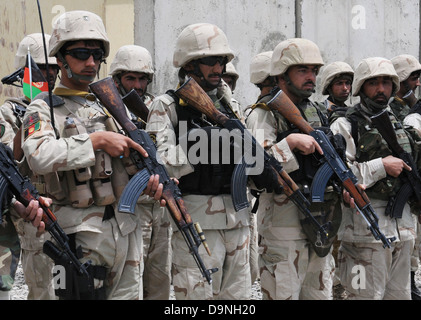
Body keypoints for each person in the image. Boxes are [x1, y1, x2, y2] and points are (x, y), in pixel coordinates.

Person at [21, 10, 164, 300]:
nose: (90, 62)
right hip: (78, 235)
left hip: (126, 230)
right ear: (60, 58)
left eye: (97, 55)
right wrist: (96, 141)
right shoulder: (43, 108)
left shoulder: (114, 106)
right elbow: (38, 154)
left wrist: (151, 182)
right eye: (81, 54)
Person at [146, 22, 252, 300]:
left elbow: (247, 156)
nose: (218, 68)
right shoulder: (165, 106)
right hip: (197, 221)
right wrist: (201, 145)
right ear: (189, 65)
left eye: (222, 61)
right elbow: (159, 163)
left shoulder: (230, 104)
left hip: (238, 220)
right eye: (210, 61)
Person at [246, 38, 342, 300]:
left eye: (314, 70)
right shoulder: (264, 114)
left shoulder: (317, 112)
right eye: (302, 70)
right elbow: (253, 174)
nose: (311, 77)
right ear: (281, 75)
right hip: (283, 230)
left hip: (320, 223)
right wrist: (288, 144)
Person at [330, 56, 417, 300]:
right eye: (373, 83)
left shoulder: (399, 123)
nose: (381, 89)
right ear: (361, 87)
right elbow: (338, 176)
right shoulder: (346, 125)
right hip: (365, 230)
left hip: (403, 228)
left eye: (386, 83)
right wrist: (381, 165)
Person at [109, 44, 172, 300]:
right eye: (130, 78)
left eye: (142, 78)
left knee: (160, 278)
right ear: (117, 80)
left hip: (161, 203)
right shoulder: (109, 110)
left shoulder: (157, 109)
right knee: (131, 278)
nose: (137, 84)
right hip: (131, 206)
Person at [0, 33, 59, 300]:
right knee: (42, 286)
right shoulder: (9, 111)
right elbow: (8, 162)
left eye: (54, 69)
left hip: (68, 203)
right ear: (23, 74)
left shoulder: (61, 108)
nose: (49, 75)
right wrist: (33, 110)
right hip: (32, 205)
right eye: (41, 69)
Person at [392, 54, 421, 300]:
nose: (418, 83)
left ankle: (409, 283)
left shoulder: (410, 108)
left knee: (412, 243)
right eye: (413, 78)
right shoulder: (390, 110)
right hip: (397, 184)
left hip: (412, 181)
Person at [390, 54, 421, 122]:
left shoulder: (411, 102)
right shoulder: (389, 108)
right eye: (414, 79)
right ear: (400, 80)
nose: (418, 83)